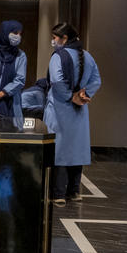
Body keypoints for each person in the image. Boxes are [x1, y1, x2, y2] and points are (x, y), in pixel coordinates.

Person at [44, 22, 101, 206]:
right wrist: (83, 96)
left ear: (64, 38)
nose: (53, 41)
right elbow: (96, 80)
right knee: (77, 150)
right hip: (79, 112)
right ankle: (74, 191)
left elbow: (57, 81)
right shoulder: (88, 56)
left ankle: (58, 193)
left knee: (59, 151)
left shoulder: (58, 57)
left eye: (55, 37)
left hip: (60, 111)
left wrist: (70, 97)